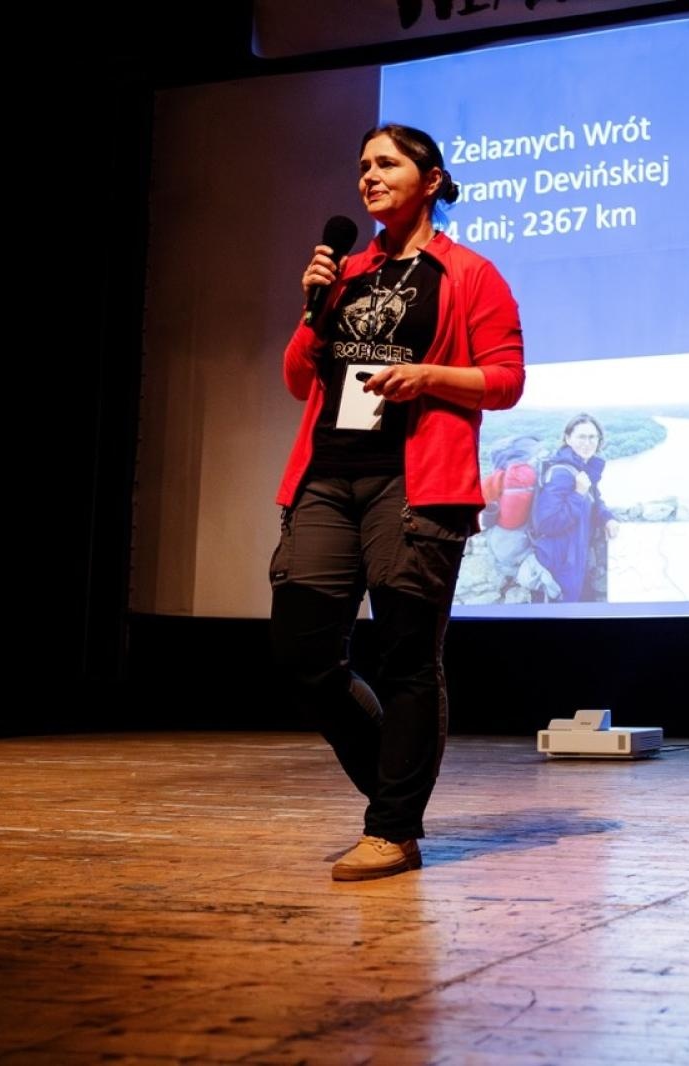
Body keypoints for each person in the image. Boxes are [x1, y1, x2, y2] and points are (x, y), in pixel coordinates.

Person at [269, 123, 524, 881]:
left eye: (385, 164)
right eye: (361, 167)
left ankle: (392, 829)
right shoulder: (343, 275)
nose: (368, 177)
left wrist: (428, 376)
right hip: (325, 476)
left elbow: (506, 382)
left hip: (415, 484)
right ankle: (396, 790)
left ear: (432, 180)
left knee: (409, 657)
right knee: (303, 654)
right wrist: (312, 306)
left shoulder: (470, 274)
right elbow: (297, 380)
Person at [531, 414, 620, 602]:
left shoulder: (582, 469)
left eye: (592, 437)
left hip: (573, 559)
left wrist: (607, 518)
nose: (587, 443)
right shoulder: (561, 473)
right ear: (568, 438)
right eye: (581, 437)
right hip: (558, 563)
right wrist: (578, 494)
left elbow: (594, 500)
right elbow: (546, 523)